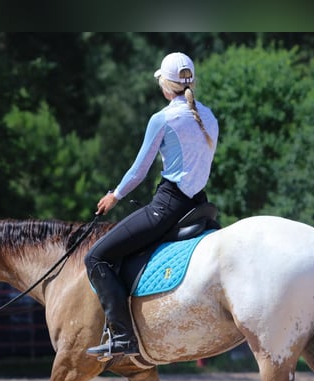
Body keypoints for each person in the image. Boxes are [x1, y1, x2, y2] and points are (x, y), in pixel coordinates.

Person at [84, 51, 219, 359]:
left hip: (169, 207)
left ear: (165, 85)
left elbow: (138, 171)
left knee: (96, 258)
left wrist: (114, 196)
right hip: (199, 206)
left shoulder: (162, 119)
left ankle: (122, 335)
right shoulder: (209, 116)